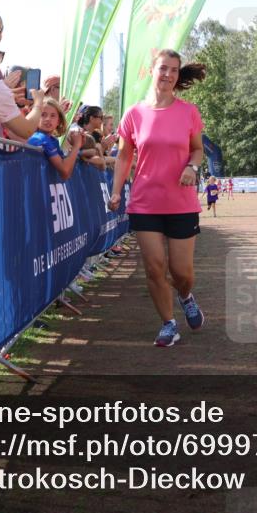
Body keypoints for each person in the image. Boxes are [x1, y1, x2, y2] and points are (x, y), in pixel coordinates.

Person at [108, 48, 206, 347]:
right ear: (152, 70)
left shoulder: (188, 111)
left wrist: (192, 166)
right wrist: (115, 191)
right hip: (145, 201)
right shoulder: (134, 114)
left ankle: (186, 296)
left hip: (181, 202)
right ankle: (168, 323)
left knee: (181, 272)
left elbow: (198, 149)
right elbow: (124, 156)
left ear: (178, 76)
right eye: (163, 68)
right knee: (153, 267)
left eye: (174, 70)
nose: (168, 75)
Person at [27, 97, 83, 181]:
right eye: (43, 114)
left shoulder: (53, 140)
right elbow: (65, 171)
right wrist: (76, 145)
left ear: (58, 121)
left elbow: (66, 174)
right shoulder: (39, 138)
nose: (48, 119)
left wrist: (76, 147)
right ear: (36, 117)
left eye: (53, 116)